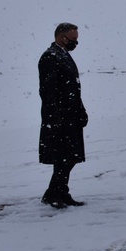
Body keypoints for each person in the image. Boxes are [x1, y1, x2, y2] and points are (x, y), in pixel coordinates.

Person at [38, 22, 89, 209]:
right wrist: (54, 117)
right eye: (73, 39)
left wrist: (81, 111)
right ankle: (53, 193)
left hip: (71, 116)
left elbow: (73, 89)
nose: (75, 43)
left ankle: (60, 192)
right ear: (62, 37)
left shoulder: (64, 56)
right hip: (59, 117)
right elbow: (47, 91)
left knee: (70, 156)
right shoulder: (50, 57)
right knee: (64, 157)